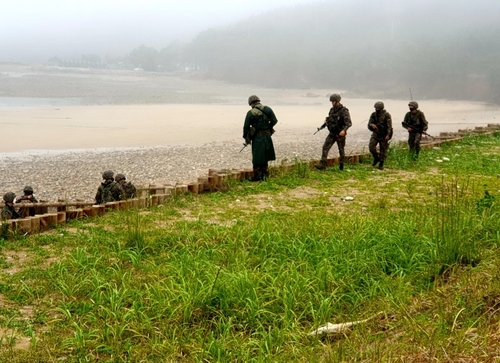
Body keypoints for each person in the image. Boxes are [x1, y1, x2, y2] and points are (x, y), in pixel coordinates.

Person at [243, 95, 278, 181]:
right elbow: (274, 120)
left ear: (251, 103)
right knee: (265, 155)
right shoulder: (268, 109)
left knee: (257, 156)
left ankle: (257, 176)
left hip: (257, 137)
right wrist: (268, 127)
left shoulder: (250, 113)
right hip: (267, 136)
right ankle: (265, 175)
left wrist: (246, 137)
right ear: (259, 101)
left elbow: (246, 127)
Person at [315, 93, 352, 171]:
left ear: (337, 101)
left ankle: (341, 165)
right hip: (332, 133)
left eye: (333, 101)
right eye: (331, 101)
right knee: (325, 147)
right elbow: (330, 120)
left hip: (340, 133)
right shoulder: (332, 110)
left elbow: (348, 123)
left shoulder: (344, 110)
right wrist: (325, 123)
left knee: (341, 149)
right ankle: (323, 164)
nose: (332, 103)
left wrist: (344, 130)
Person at [368, 101, 393, 170]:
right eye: (376, 108)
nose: (377, 109)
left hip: (384, 134)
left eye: (378, 108)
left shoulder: (387, 115)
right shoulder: (373, 115)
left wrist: (388, 135)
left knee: (383, 150)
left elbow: (389, 126)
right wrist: (372, 125)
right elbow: (369, 123)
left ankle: (381, 163)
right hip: (376, 133)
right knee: (371, 147)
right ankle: (376, 158)